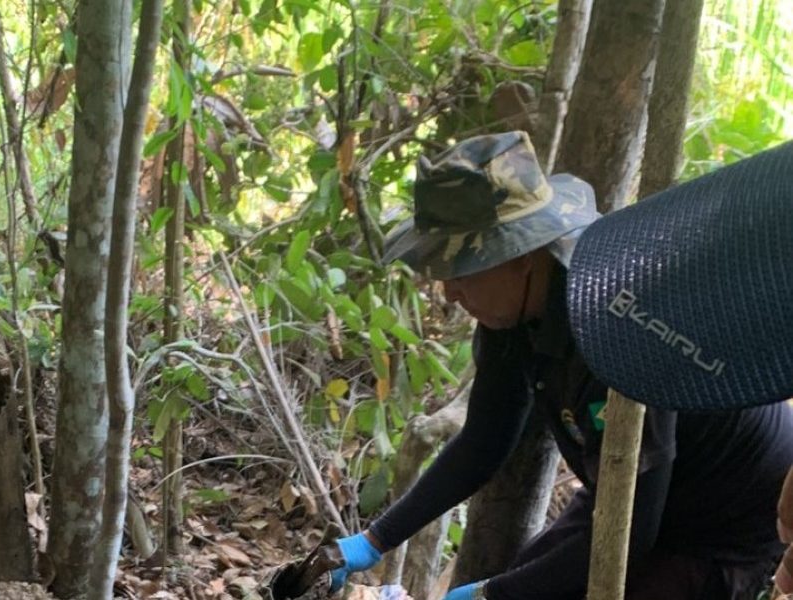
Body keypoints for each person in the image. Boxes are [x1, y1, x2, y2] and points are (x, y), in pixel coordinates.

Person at [328, 131, 793, 600]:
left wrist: (491, 596)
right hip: (627, 498)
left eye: (461, 268)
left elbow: (631, 537)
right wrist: (374, 540)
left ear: (522, 257)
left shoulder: (617, 326)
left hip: (725, 533)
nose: (449, 292)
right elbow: (486, 440)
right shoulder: (510, 315)